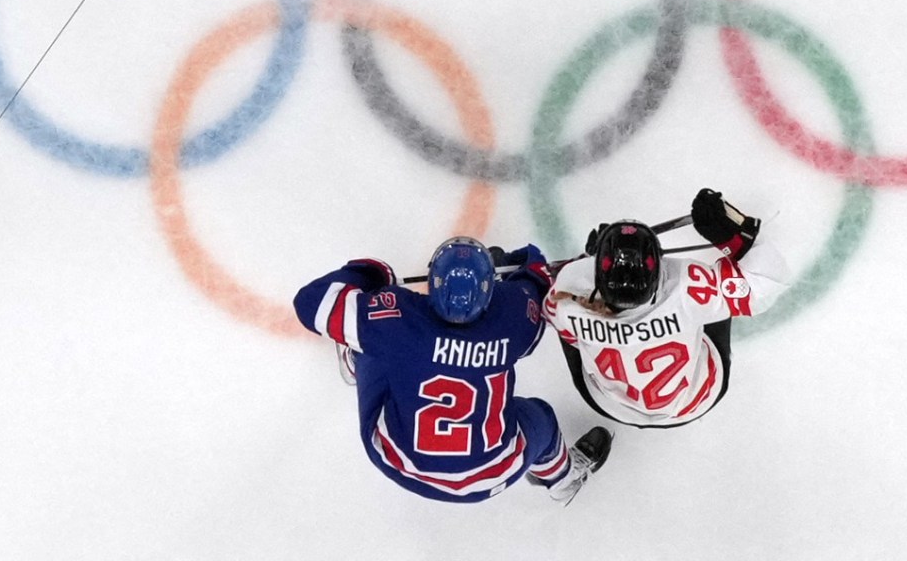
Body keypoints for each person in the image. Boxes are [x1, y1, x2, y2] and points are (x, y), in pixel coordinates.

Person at [294, 237, 613, 504]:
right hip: (493, 470)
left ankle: (355, 363)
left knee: (369, 336)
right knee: (541, 418)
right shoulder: (512, 317)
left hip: (398, 461)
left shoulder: (396, 316)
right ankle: (562, 479)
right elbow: (537, 281)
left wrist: (369, 274)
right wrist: (527, 265)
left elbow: (311, 304)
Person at [543, 188, 791, 428]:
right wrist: (732, 239)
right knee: (714, 303)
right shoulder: (686, 286)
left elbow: (556, 320)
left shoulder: (568, 290)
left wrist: (584, 265)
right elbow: (769, 280)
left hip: (607, 404)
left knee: (565, 324)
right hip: (696, 400)